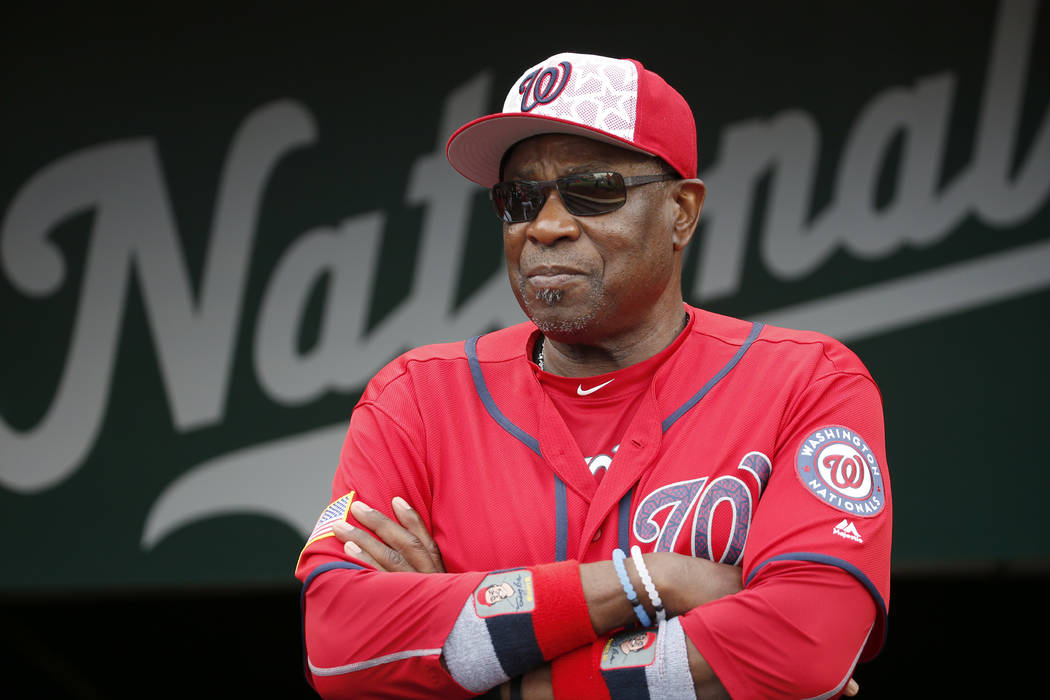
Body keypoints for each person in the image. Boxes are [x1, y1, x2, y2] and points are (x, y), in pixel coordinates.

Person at [295, 52, 891, 699]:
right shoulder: (415, 397)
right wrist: (653, 582)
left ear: (681, 212)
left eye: (595, 190)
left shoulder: (806, 380)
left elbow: (803, 648)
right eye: (519, 199)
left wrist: (507, 675)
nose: (545, 227)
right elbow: (342, 649)